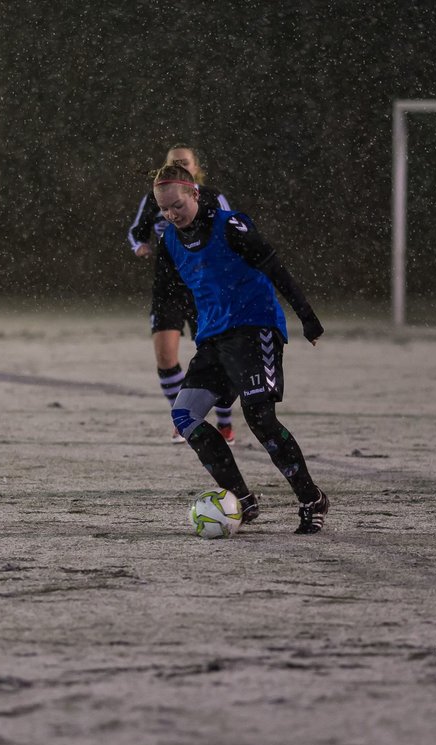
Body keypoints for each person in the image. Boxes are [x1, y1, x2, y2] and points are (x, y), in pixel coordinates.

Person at [152, 163, 330, 534]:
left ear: (195, 194)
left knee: (260, 417)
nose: (171, 214)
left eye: (177, 206)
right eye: (164, 209)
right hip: (214, 338)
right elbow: (177, 289)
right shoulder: (169, 240)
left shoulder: (230, 225)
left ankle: (311, 498)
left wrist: (306, 317)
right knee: (185, 417)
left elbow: (275, 267)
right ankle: (241, 501)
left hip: (254, 326)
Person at [128, 144, 236, 444]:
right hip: (168, 286)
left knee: (216, 357)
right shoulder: (155, 198)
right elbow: (137, 229)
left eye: (185, 163)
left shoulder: (211, 197)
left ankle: (225, 422)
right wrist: (141, 245)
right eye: (174, 163)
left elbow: (232, 232)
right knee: (165, 356)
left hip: (204, 287)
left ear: (196, 167)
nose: (180, 167)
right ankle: (184, 419)